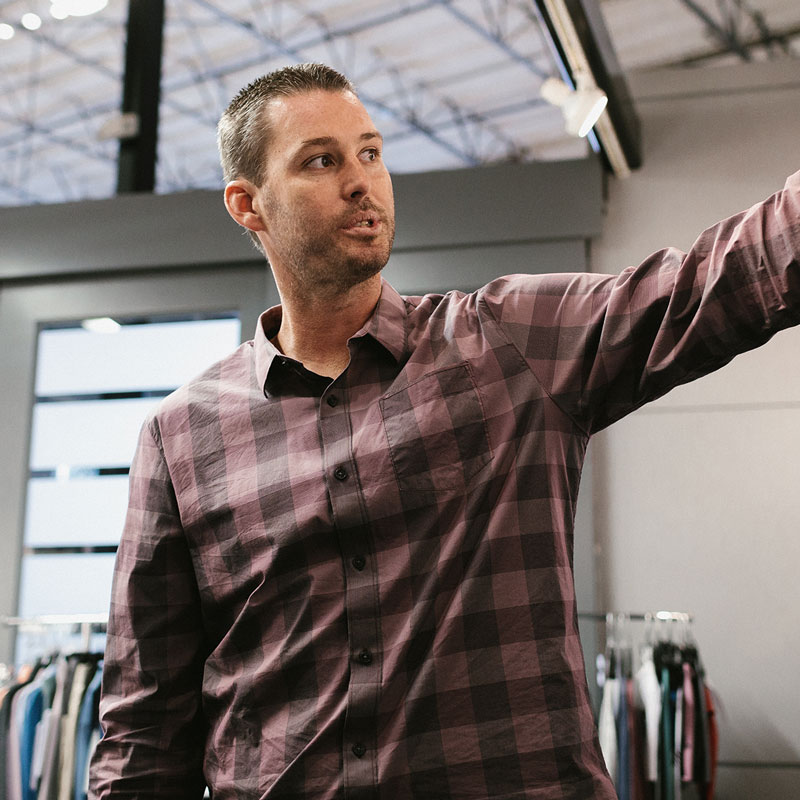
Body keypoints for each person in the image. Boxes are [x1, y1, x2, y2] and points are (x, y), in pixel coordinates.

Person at [89, 62, 800, 800]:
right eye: (322, 161)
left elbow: (707, 285)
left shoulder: (506, 344)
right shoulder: (181, 436)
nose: (363, 181)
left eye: (370, 151)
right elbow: (145, 728)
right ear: (248, 205)